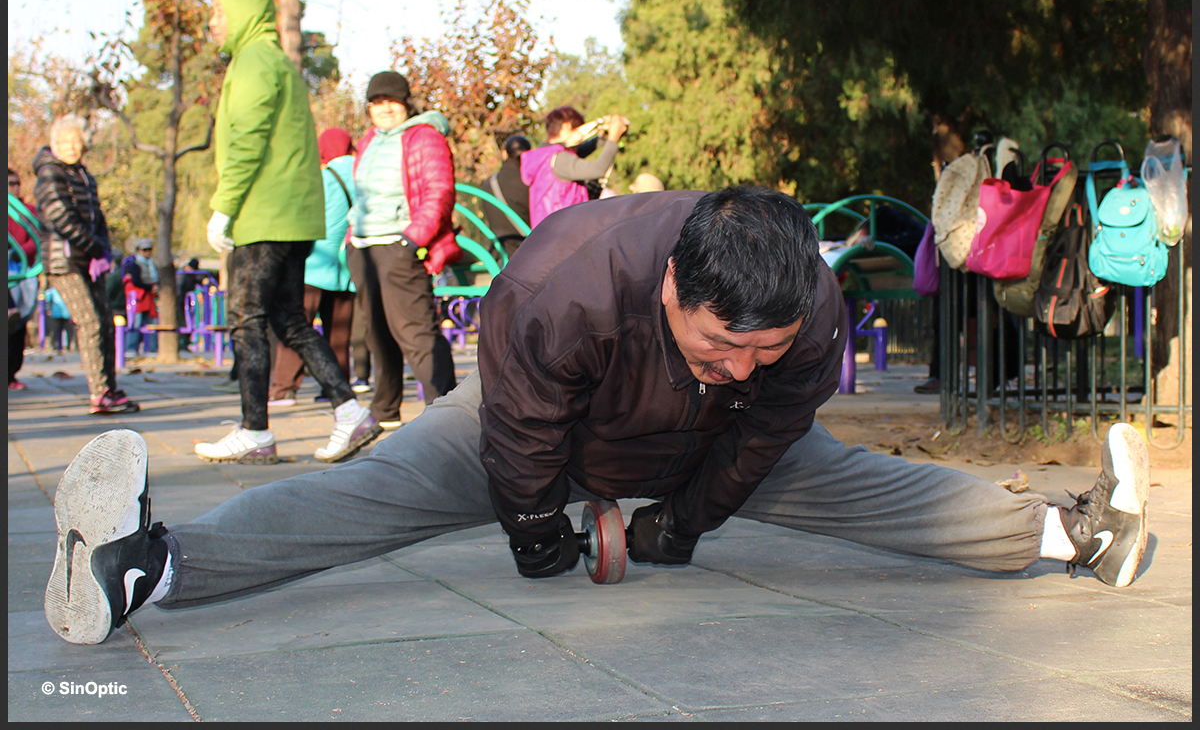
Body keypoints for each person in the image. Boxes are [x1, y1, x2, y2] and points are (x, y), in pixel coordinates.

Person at [44, 186, 1151, 647]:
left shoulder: (807, 313)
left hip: (702, 449)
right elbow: (523, 439)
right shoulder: (557, 285)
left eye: (762, 350)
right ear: (671, 285)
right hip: (547, 429)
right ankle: (146, 565)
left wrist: (686, 520)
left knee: (863, 481)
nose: (741, 366)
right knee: (373, 489)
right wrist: (540, 535)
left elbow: (764, 431)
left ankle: (1076, 532)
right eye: (719, 346)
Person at [195, 0, 377, 464]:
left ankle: (255, 430)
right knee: (289, 320)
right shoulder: (275, 60)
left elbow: (248, 138)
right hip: (291, 216)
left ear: (242, 11)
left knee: (245, 320)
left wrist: (224, 206)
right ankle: (349, 411)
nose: (213, 22)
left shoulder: (254, 60)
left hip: (265, 215)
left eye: (218, 11)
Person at [345, 70, 461, 428]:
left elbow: (440, 191)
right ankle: (385, 411)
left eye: (391, 101)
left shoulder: (424, 136)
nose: (384, 108)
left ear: (406, 103)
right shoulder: (368, 140)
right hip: (363, 247)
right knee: (377, 334)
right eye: (376, 102)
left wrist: (412, 240)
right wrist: (350, 239)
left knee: (417, 333)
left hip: (400, 244)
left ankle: (447, 417)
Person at [33, 115, 139, 414]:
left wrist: (104, 249)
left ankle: (111, 388)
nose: (70, 146)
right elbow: (61, 218)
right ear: (54, 144)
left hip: (90, 259)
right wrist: (95, 248)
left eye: (75, 141)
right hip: (63, 260)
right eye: (64, 141)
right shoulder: (50, 173)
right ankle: (99, 392)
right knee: (89, 321)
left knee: (106, 322)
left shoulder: (84, 175)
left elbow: (98, 217)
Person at [267, 128, 359, 406]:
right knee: (339, 333)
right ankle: (337, 389)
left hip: (314, 263)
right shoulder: (362, 175)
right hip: (347, 265)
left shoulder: (323, 178)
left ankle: (285, 388)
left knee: (296, 326)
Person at [520, 106, 629, 227]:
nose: (582, 139)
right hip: (565, 230)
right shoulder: (560, 159)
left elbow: (578, 152)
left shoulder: (544, 156)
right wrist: (613, 138)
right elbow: (597, 170)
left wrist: (603, 137)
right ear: (567, 127)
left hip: (550, 230)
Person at [8, 166, 41, 389]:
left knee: (18, 324)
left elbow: (37, 236)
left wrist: (18, 252)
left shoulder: (27, 211)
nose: (14, 188)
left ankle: (10, 374)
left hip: (22, 270)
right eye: (9, 184)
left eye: (16, 183)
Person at [479, 134, 533, 258]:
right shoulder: (529, 184)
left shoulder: (488, 184)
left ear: (504, 154)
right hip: (526, 253)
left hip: (497, 254)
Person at [121, 237, 159, 356]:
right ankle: (131, 348)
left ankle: (152, 349)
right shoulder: (134, 264)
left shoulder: (152, 264)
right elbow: (136, 281)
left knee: (152, 323)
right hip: (139, 298)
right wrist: (149, 287)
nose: (147, 252)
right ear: (139, 250)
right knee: (135, 323)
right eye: (144, 250)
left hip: (150, 297)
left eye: (149, 249)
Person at [175, 258, 215, 351]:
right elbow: (179, 289)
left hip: (185, 301)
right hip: (181, 301)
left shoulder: (191, 275)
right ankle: (182, 342)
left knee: (187, 321)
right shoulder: (182, 274)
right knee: (183, 321)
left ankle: (184, 342)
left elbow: (202, 280)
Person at [43, 287, 75, 353]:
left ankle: (56, 347)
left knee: (56, 331)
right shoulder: (68, 289)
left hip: (58, 314)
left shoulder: (53, 290)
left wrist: (48, 309)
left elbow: (47, 298)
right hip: (64, 313)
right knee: (67, 331)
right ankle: (67, 347)